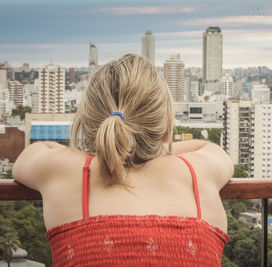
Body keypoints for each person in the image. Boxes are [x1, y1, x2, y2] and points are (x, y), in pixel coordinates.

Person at [12, 54, 233, 266]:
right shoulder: (198, 173)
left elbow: (27, 158)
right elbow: (212, 150)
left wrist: (109, 147)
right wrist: (156, 147)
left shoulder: (64, 171)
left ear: (88, 128)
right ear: (164, 128)